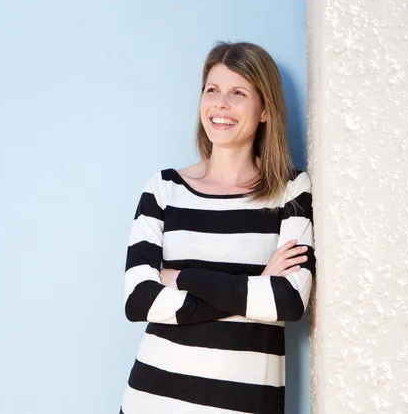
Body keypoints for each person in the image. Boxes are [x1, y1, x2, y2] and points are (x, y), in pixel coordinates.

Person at [120, 41, 315, 414]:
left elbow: (288, 302)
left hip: (244, 403)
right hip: (153, 399)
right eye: (212, 90)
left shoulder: (290, 190)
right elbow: (139, 299)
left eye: (238, 93)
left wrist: (182, 277)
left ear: (265, 111)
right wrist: (255, 286)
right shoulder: (164, 190)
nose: (220, 104)